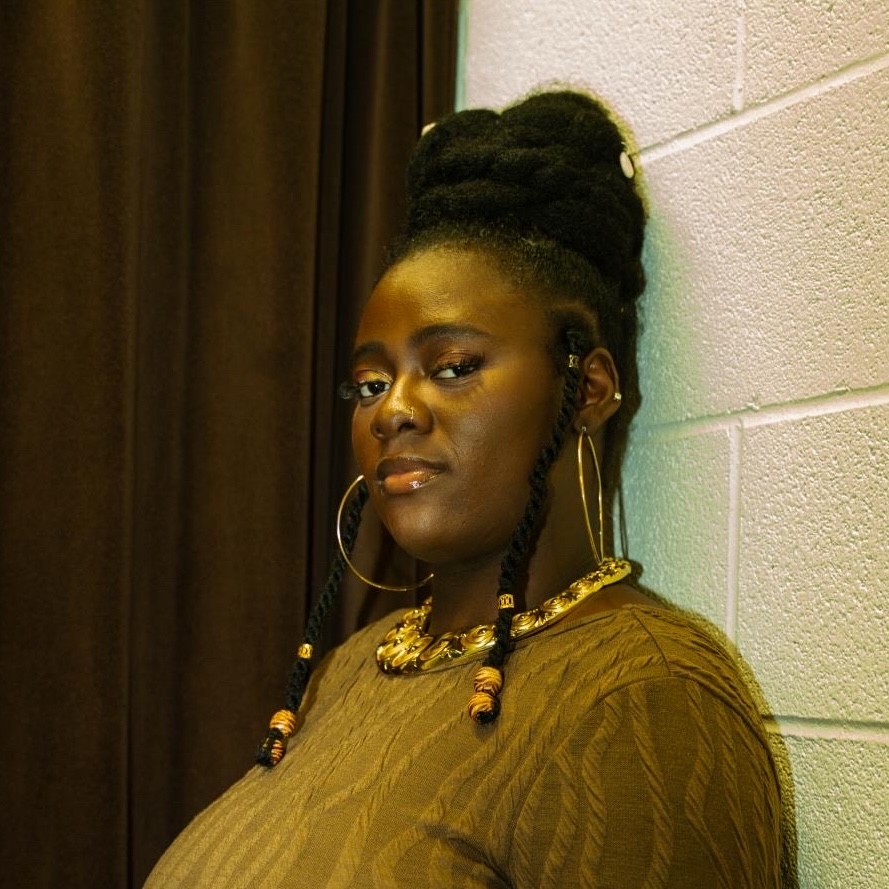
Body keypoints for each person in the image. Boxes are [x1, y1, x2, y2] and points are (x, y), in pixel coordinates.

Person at [145, 90, 783, 887]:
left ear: (585, 387)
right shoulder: (352, 666)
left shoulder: (646, 696)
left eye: (452, 367)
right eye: (370, 382)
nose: (394, 411)